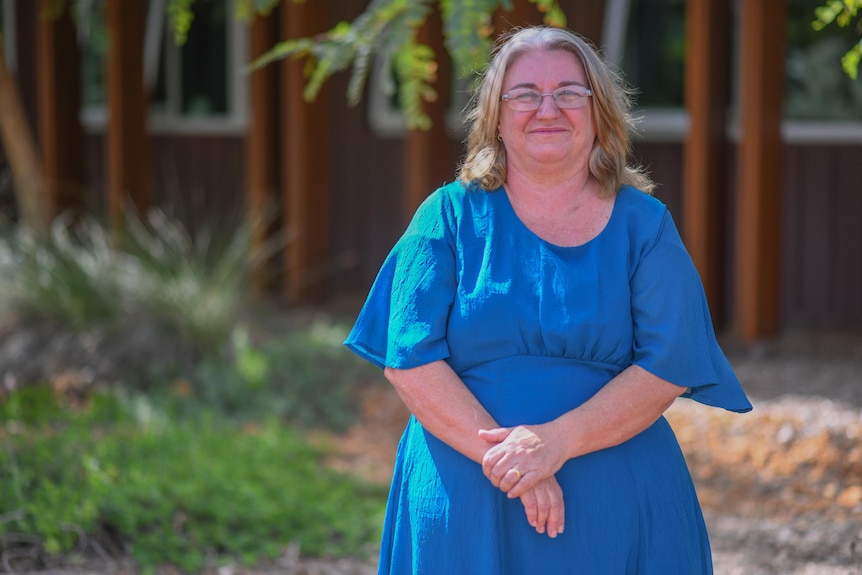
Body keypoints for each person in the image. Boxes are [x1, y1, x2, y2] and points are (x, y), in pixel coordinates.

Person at [345, 25, 752, 575]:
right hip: (467, 503)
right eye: (526, 94)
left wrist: (555, 443)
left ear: (598, 110)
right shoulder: (444, 216)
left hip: (616, 507)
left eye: (568, 92)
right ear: (495, 115)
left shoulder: (645, 226)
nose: (548, 109)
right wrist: (515, 462)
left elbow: (669, 365)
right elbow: (409, 360)